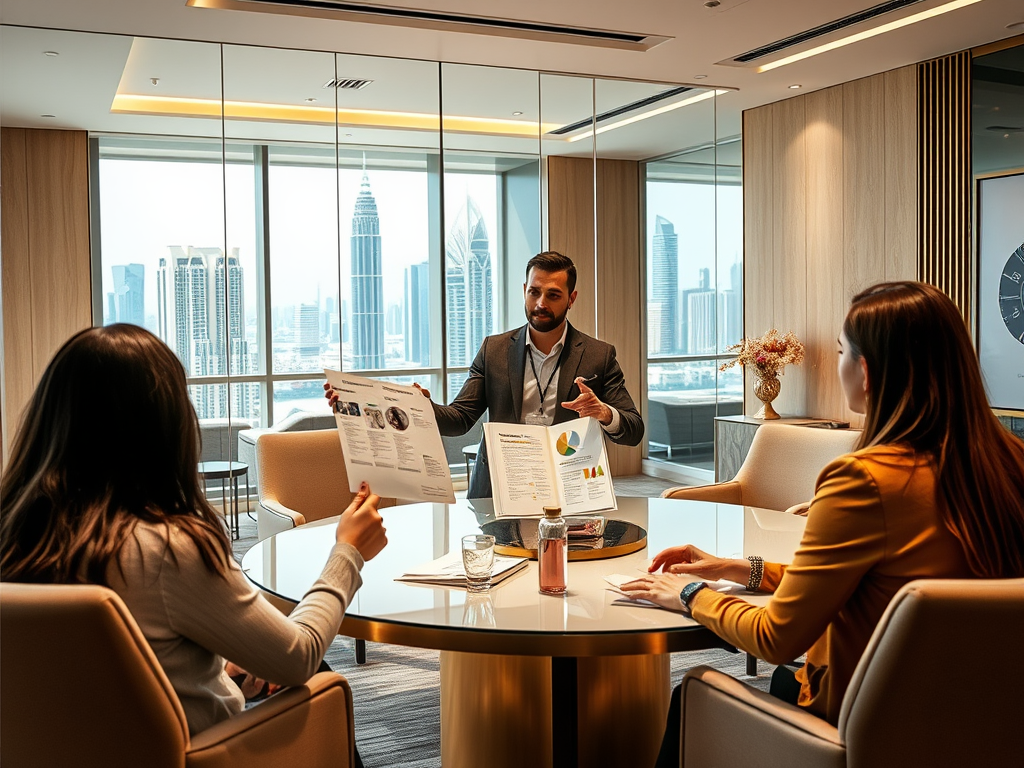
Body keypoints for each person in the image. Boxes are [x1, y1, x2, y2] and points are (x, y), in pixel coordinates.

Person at [620, 281, 1024, 764]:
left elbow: (777, 637)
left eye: (839, 351)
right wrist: (738, 569)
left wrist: (688, 595)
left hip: (863, 730)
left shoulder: (864, 480)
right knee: (785, 679)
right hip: (984, 726)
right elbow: (889, 588)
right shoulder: (1010, 462)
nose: (838, 365)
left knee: (693, 692)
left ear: (866, 371)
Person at [0, 324, 388, 744]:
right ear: (164, 425)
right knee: (321, 677)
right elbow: (297, 656)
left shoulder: (16, 534)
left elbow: (100, 671)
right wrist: (348, 551)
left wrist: (216, 669)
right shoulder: (165, 549)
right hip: (195, 754)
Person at [415, 251, 644, 498]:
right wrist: (423, 407)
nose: (541, 304)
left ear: (571, 299)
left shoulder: (598, 355)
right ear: (524, 290)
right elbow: (460, 418)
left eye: (553, 295)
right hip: (500, 489)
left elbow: (634, 430)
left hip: (569, 490)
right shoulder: (494, 350)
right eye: (534, 292)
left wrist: (604, 413)